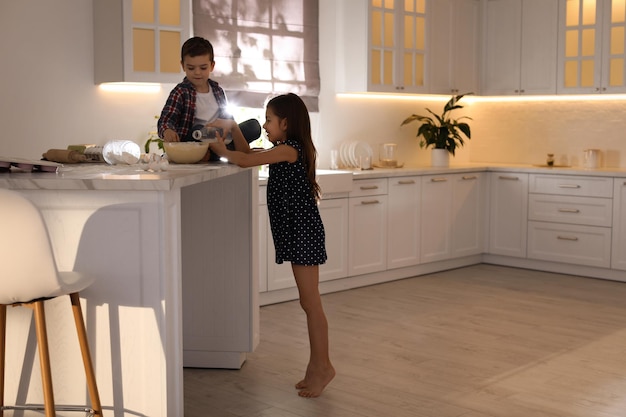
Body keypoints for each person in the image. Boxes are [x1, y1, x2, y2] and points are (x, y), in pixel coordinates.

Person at [209, 93, 335, 398]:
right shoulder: (282, 148)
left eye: (268, 119)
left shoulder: (290, 151)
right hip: (297, 233)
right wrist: (234, 129)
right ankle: (315, 368)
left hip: (303, 232)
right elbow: (247, 151)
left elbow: (246, 160)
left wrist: (217, 147)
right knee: (309, 303)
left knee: (311, 303)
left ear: (286, 123)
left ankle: (323, 368)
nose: (265, 124)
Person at [157, 36, 260, 158]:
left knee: (254, 126)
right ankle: (213, 153)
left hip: (219, 139)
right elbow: (165, 120)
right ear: (183, 66)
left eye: (203, 68)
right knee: (199, 130)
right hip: (194, 141)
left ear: (212, 66)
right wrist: (167, 130)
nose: (197, 72)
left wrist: (231, 128)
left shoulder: (218, 91)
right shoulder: (180, 92)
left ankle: (214, 153)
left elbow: (228, 122)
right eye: (191, 68)